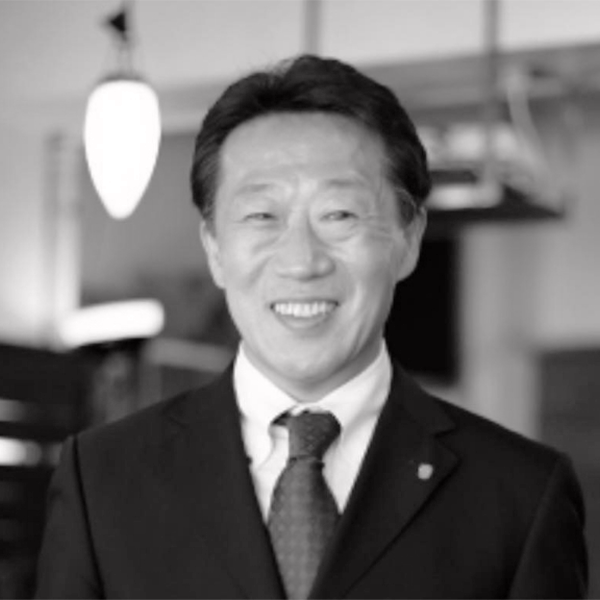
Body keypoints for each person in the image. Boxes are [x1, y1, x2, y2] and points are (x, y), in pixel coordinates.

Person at [36, 55, 587, 599]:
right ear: (215, 248)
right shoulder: (102, 478)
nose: (301, 262)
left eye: (339, 214)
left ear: (409, 239)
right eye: (262, 216)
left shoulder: (519, 493)